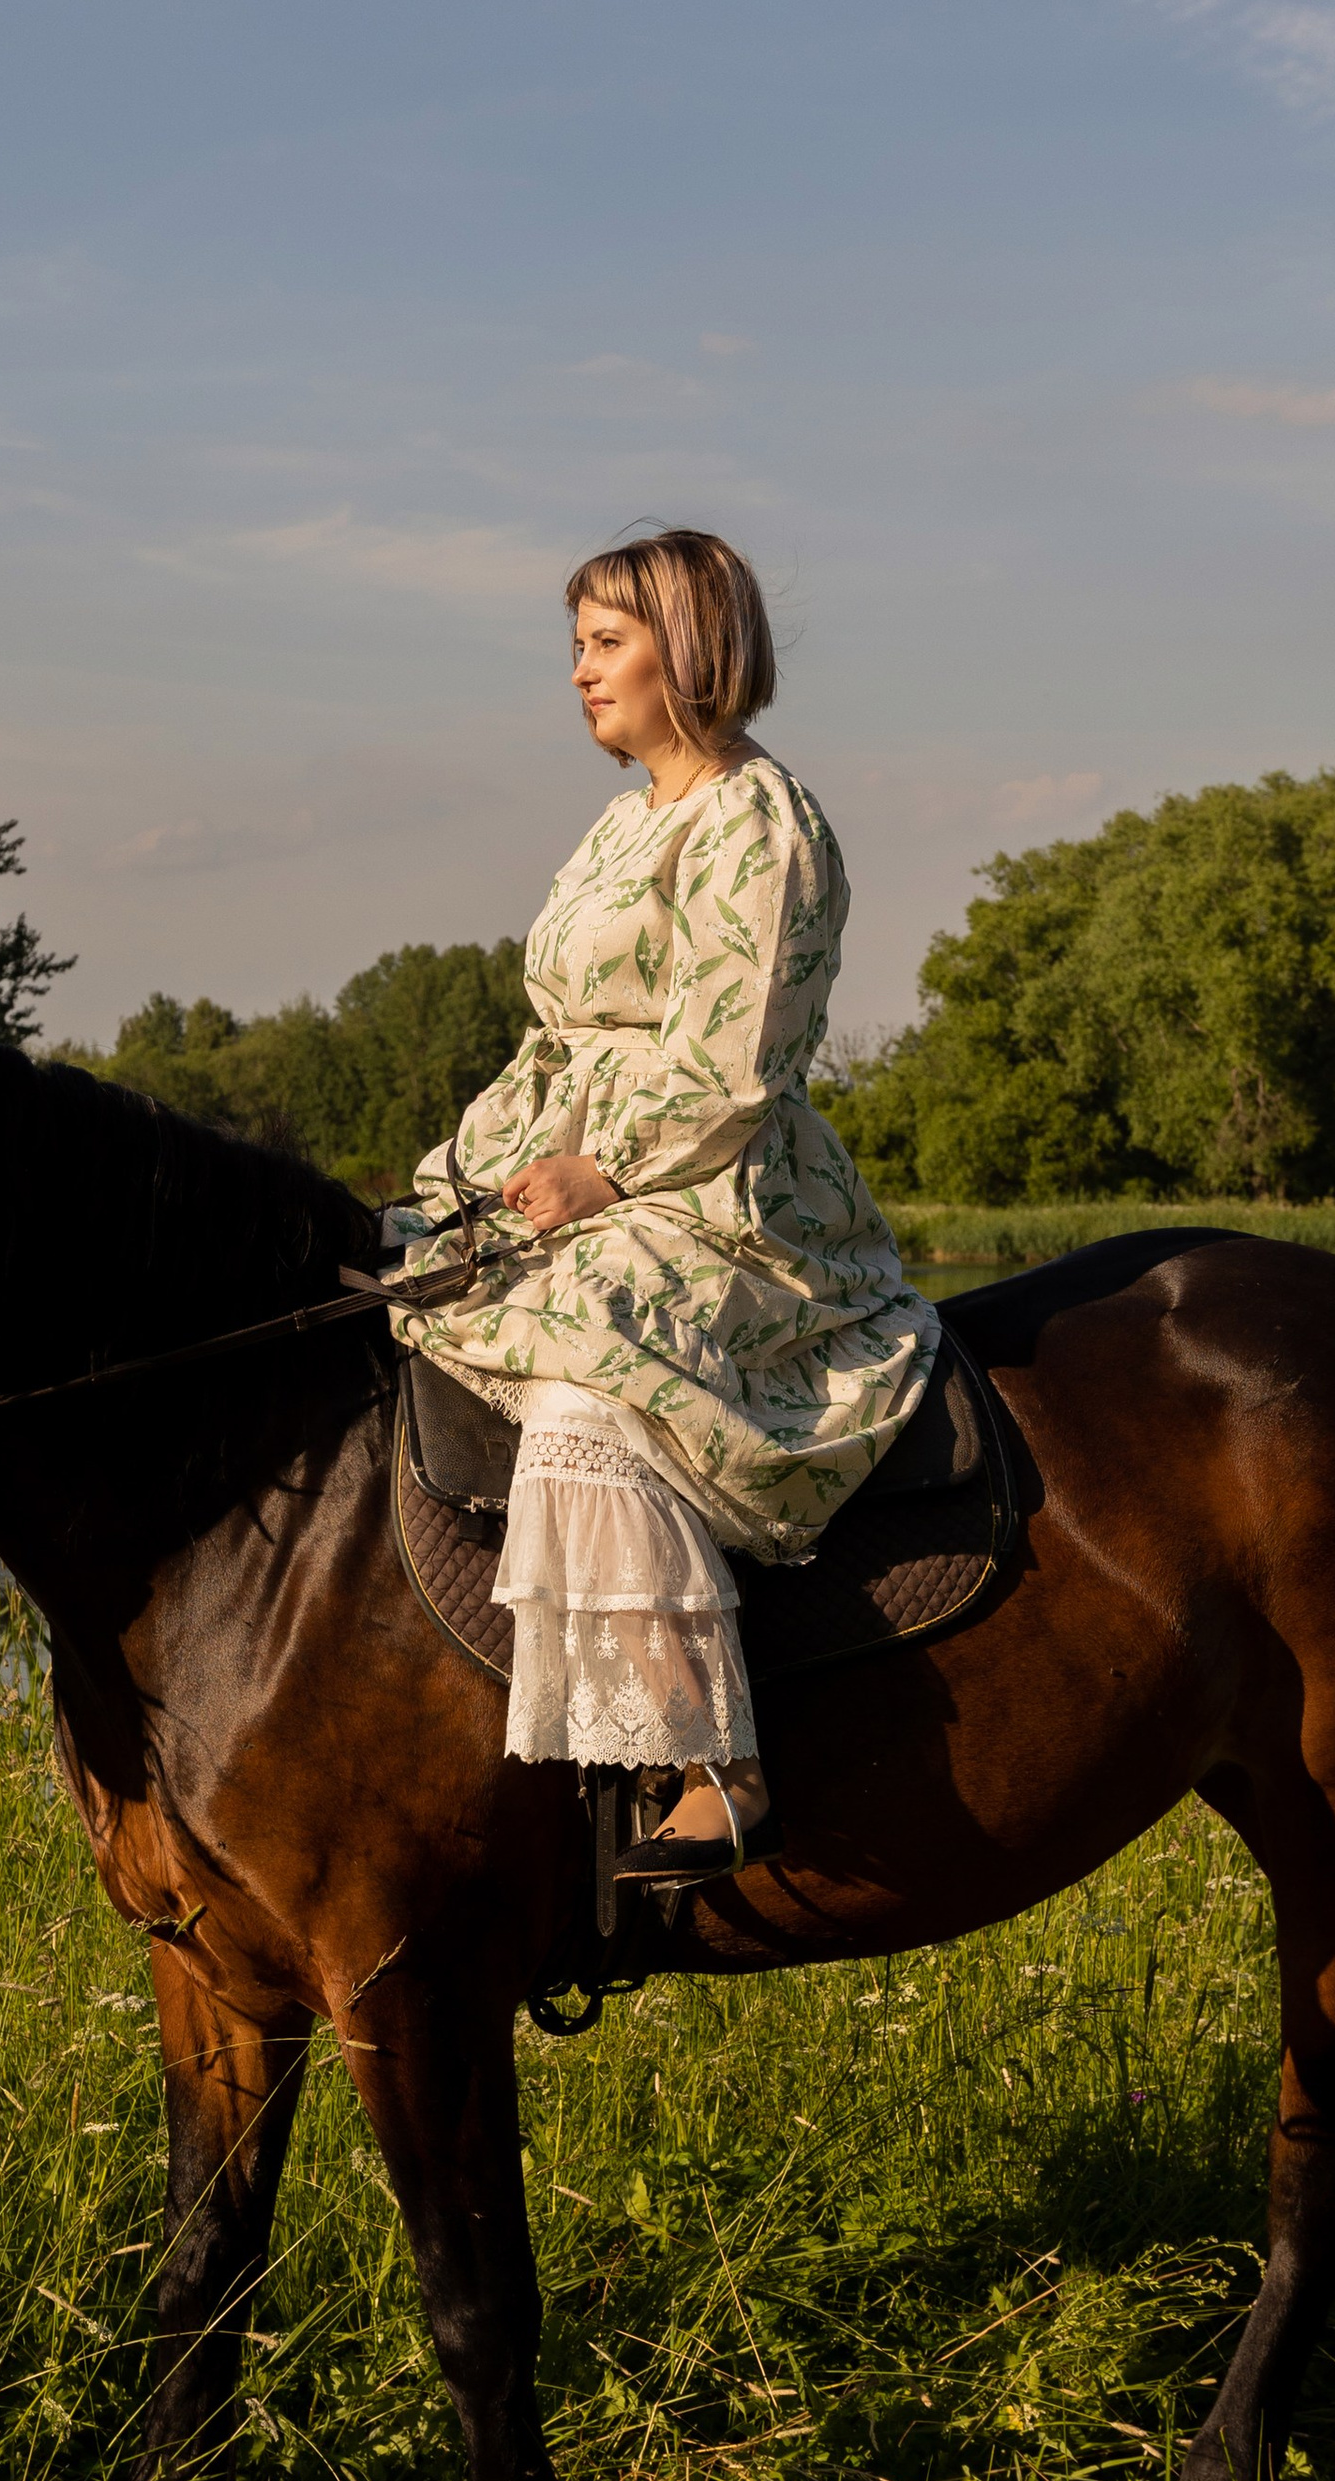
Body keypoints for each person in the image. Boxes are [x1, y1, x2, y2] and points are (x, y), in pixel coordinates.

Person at [393, 529, 939, 1879]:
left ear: (687, 651)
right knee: (419, 1290)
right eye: (576, 645)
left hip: (724, 1196)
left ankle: (717, 1761)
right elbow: (562, 1044)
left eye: (605, 642)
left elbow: (734, 1054)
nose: (579, 672)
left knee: (590, 1369)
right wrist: (464, 1184)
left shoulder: (760, 822)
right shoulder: (621, 824)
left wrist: (610, 1172)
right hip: (589, 1169)